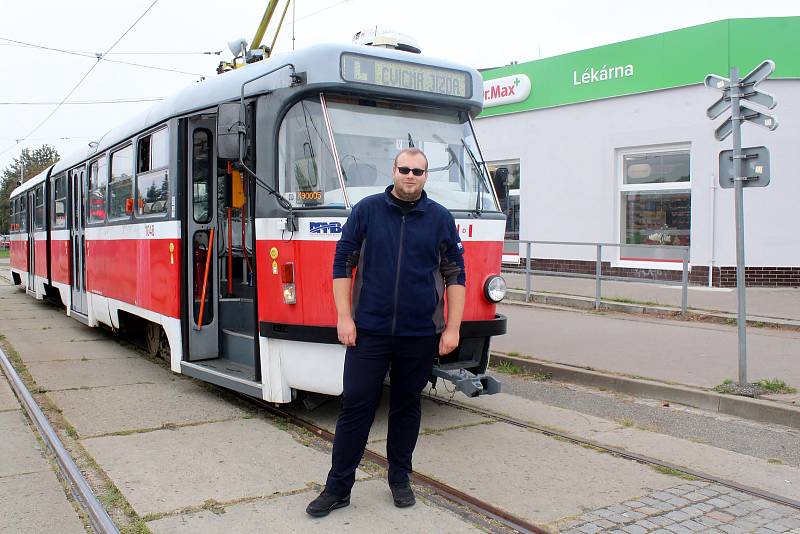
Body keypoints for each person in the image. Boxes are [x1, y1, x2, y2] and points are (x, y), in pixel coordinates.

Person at [306, 147, 466, 517]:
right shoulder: (367, 211)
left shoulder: (440, 218)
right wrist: (344, 318)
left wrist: (452, 328)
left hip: (420, 333)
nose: (411, 176)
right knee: (356, 407)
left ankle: (399, 478)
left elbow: (455, 273)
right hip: (369, 332)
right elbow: (342, 263)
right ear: (393, 171)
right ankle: (338, 488)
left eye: (419, 171)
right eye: (405, 169)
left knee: (407, 407)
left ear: (426, 177)